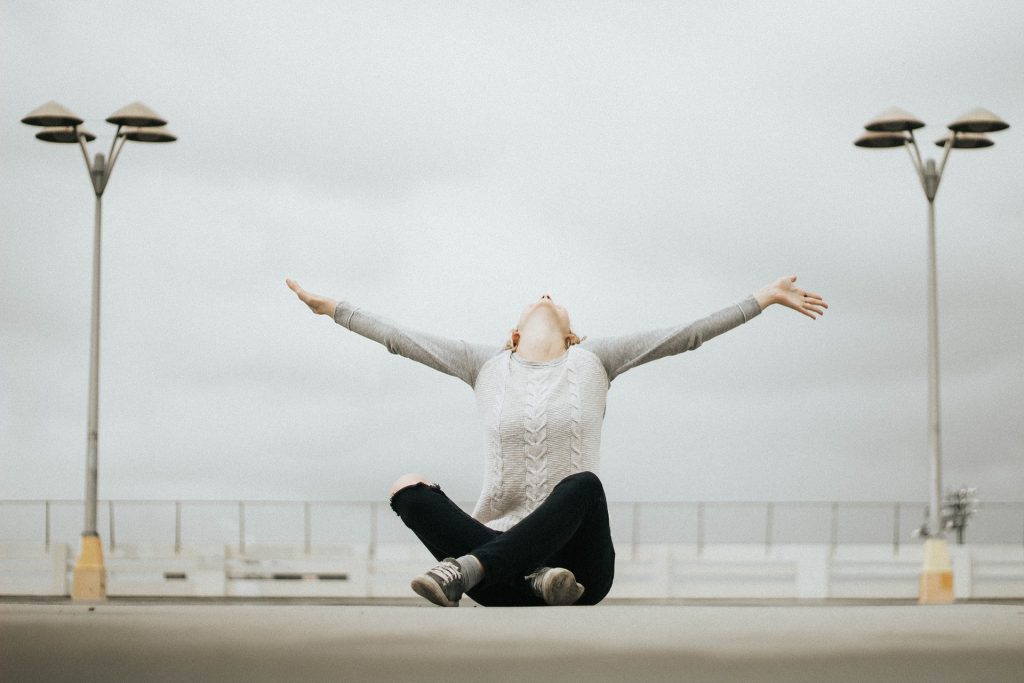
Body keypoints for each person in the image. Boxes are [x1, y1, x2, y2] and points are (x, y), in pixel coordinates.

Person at [286, 276, 827, 607]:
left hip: (582, 567)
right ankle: (529, 580)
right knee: (407, 487)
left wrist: (763, 299)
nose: (545, 295)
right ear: (514, 333)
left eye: (557, 300)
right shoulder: (485, 366)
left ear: (573, 334)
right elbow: (402, 339)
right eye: (534, 298)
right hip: (504, 549)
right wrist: (333, 309)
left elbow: (685, 335)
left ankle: (473, 570)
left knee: (583, 484)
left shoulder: (596, 361)